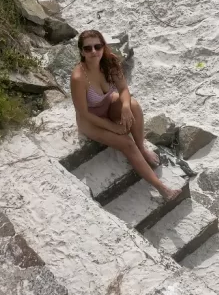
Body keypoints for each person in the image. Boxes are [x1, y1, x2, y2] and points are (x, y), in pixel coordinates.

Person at [70, 30, 181, 201]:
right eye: (88, 48)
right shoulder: (78, 77)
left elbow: (123, 89)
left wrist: (126, 107)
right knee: (126, 143)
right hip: (90, 121)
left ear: (103, 46)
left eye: (97, 46)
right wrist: (112, 127)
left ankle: (142, 147)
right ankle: (162, 188)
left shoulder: (110, 62)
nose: (93, 51)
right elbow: (83, 113)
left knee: (134, 105)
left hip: (107, 106)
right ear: (81, 51)